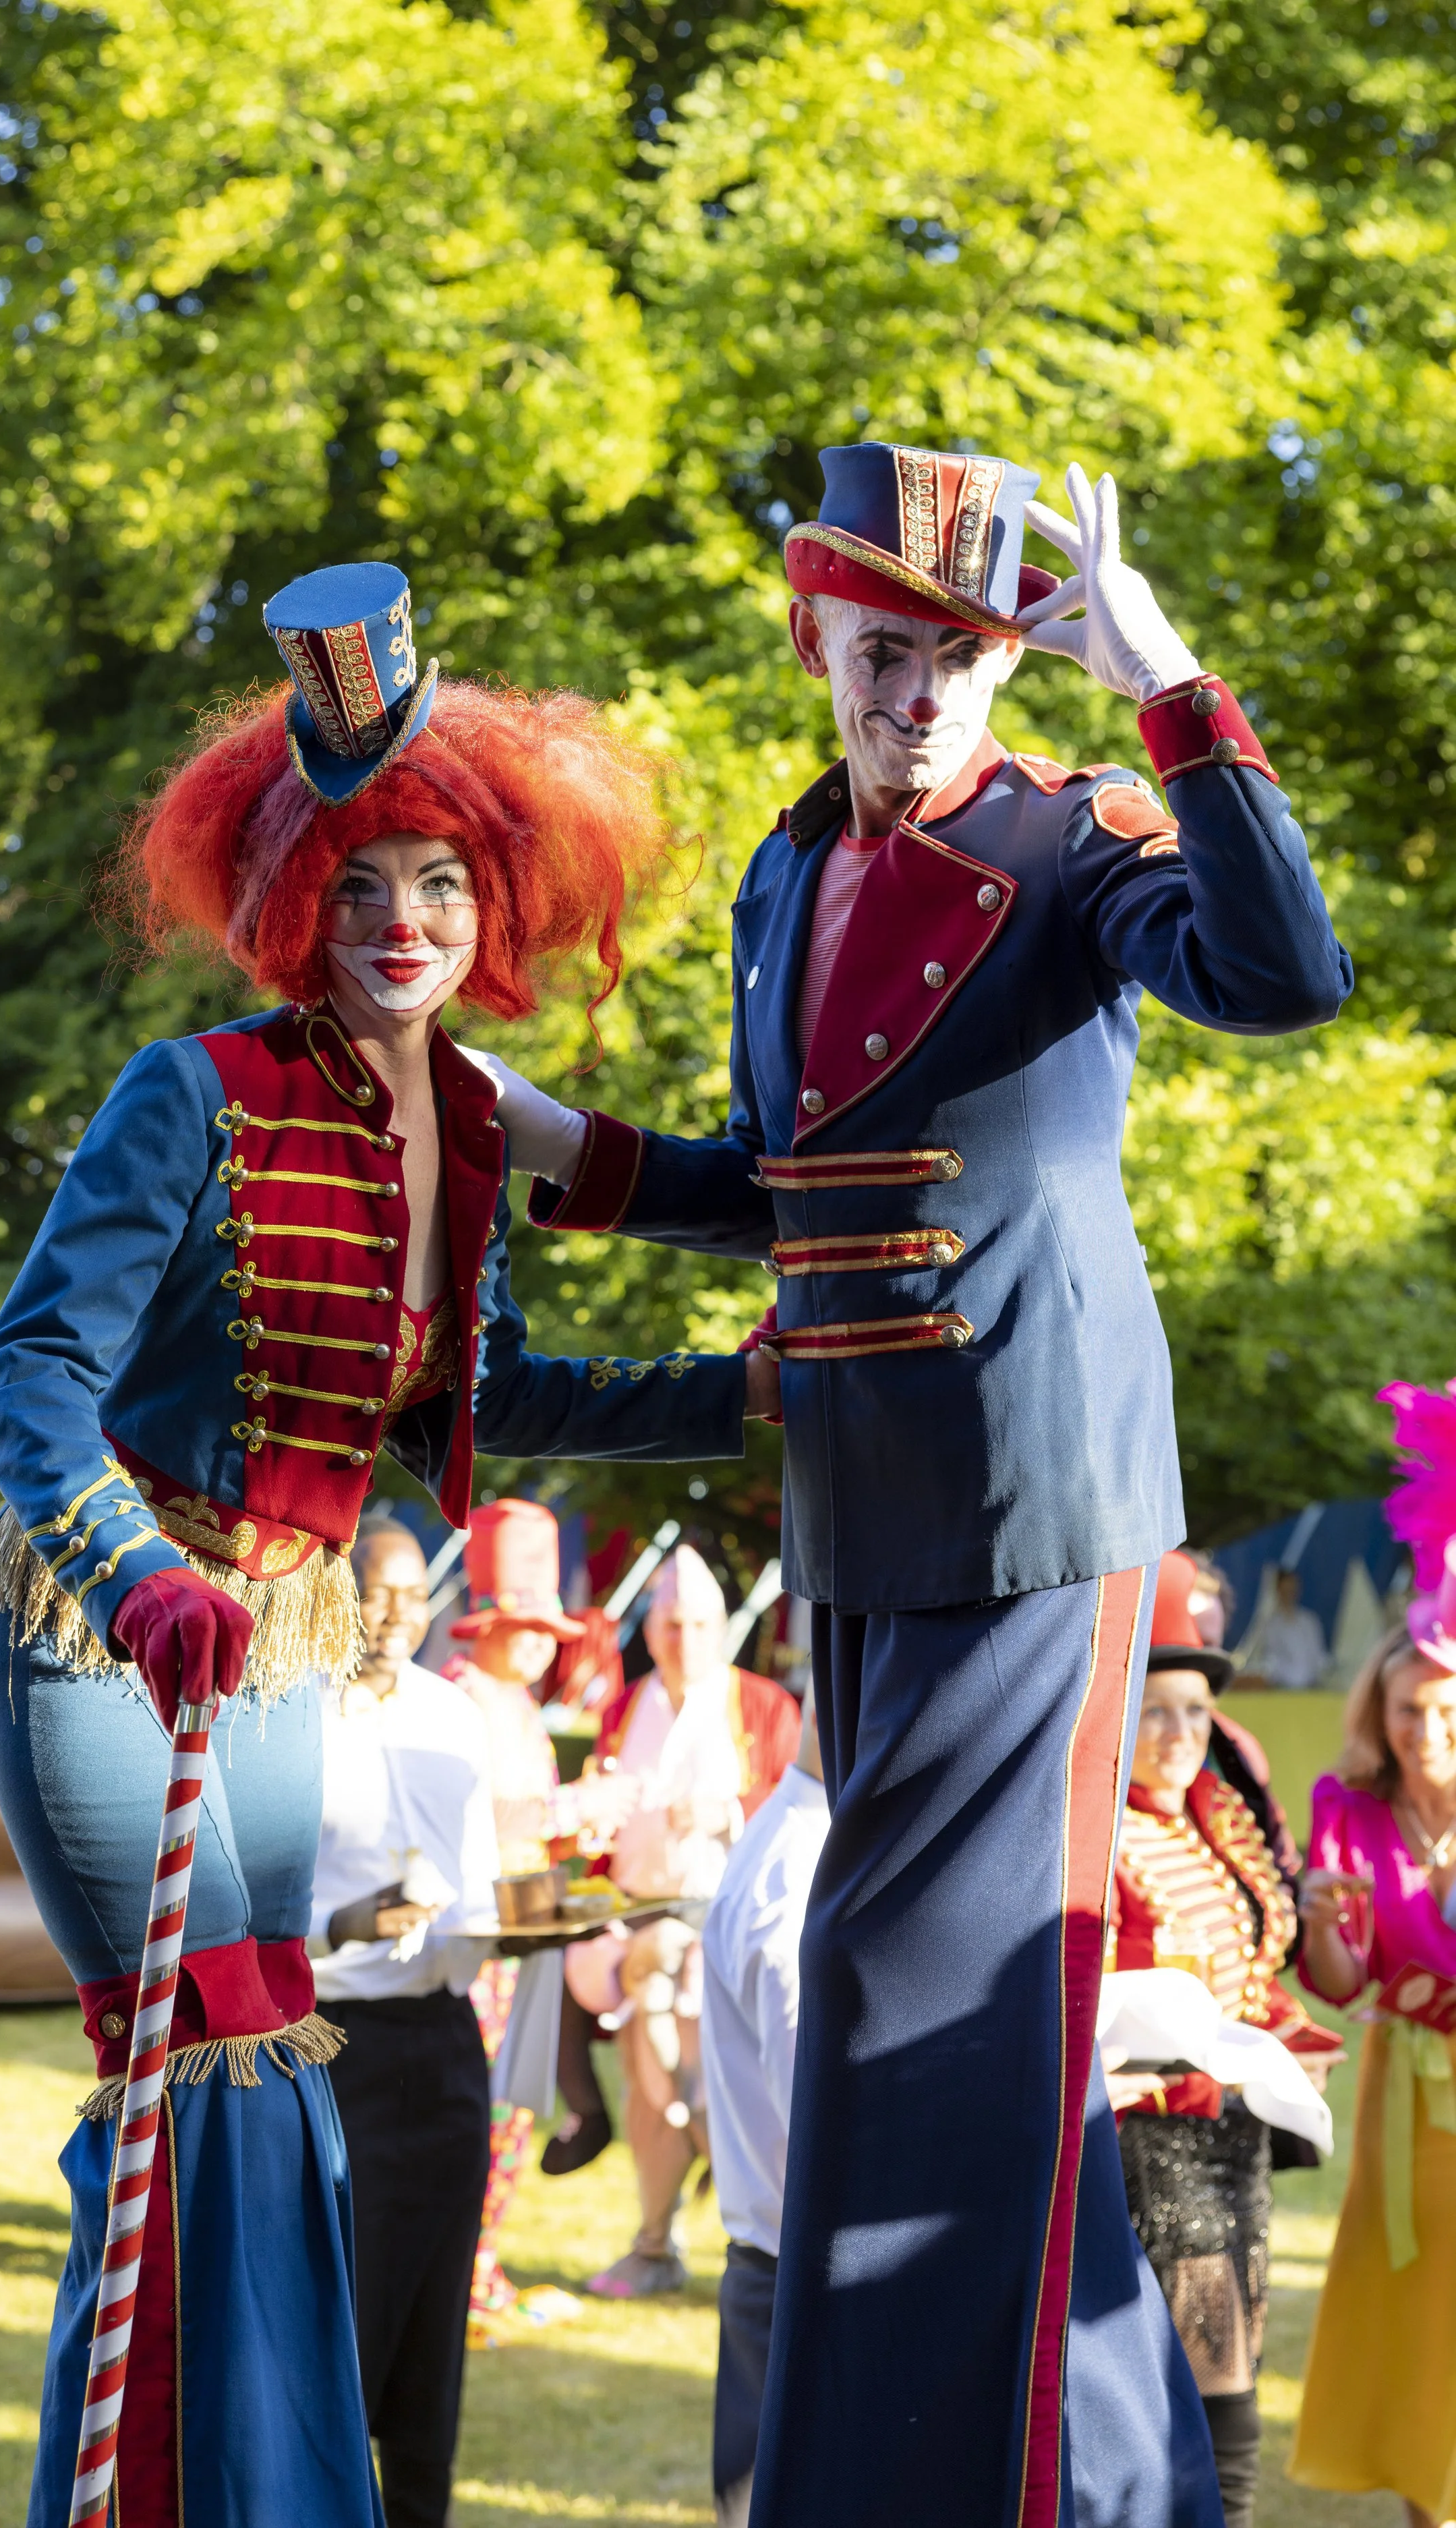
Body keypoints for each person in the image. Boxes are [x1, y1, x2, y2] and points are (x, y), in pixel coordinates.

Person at [484, 447, 1352, 2526]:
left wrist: (1166, 683)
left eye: (959, 657)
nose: (921, 696)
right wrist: (547, 1142)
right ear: (816, 642)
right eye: (884, 654)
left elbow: (1282, 975)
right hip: (848, 1509)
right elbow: (786, 1191)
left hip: (1030, 1506)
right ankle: (1110, 2488)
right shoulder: (786, 870)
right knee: (940, 2036)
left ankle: (889, 2490)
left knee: (922, 2013)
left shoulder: (1074, 839)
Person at [0, 563, 761, 2528]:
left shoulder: (475, 1122)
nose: (401, 920)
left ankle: (273, 2492)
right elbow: (32, 1372)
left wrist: (746, 1393)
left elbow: (496, 1386)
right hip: (99, 1611)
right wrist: (140, 1578)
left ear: (491, 906)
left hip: (286, 1633)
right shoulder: (195, 1097)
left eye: (440, 883)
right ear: (290, 904)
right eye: (360, 881)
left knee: (273, 2067)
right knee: (193, 2061)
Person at [1106, 1553, 1338, 2528]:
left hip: (1232, 2142)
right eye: (1156, 1710)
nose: (1179, 1734)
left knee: (1219, 2396)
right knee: (1200, 2400)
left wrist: (1286, 2039)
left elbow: (1251, 1978)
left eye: (1196, 1713)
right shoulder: (1097, 1833)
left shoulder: (1216, 1818)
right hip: (1146, 2142)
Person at [1289, 1373, 1456, 2528]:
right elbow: (1342, 1987)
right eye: (1407, 1709)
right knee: (1410, 2321)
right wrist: (1316, 1917)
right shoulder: (1345, 1812)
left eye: (1446, 1708)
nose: (1425, 1729)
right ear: (1377, 1710)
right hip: (1407, 2100)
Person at [312, 1518, 500, 2528]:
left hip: (447, 2042)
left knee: (435, 2340)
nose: (397, 1614)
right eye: (377, 1593)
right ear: (340, 1595)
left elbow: (480, 1883)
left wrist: (520, 1925)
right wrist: (342, 1921)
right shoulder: (293, 1716)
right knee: (354, 2326)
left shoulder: (454, 1715)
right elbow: (252, 1901)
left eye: (412, 1596)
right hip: (344, 2049)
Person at [566, 1544, 800, 2294]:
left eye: (700, 1623)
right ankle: (658, 2238)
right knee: (652, 2091)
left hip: (726, 1928)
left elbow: (798, 1812)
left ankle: (748, 2243)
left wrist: (726, 1810)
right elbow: (602, 1821)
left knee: (716, 2087)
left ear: (723, 1627)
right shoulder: (626, 1705)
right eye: (671, 1622)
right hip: (640, 1922)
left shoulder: (763, 1704)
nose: (685, 1639)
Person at [448, 1496, 598, 2319]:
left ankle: (481, 2264)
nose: (544, 1644)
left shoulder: (509, 1701)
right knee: (485, 2103)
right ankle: (465, 2275)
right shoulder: (465, 1698)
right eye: (530, 1625)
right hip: (479, 1938)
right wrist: (573, 1809)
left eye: (552, 1631)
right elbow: (478, 1819)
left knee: (510, 2104)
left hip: (521, 1929)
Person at [700, 1684, 829, 2528]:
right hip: (795, 2277)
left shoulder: (814, 1841)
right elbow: (817, 2111)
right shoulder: (795, 1872)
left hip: (787, 2267)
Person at [1253, 1568, 1327, 1692]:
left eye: (1292, 1589)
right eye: (1285, 1589)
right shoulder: (1271, 1625)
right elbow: (1270, 1658)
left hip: (1311, 1686)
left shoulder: (1309, 1620)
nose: (1289, 1593)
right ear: (1278, 1590)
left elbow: (1318, 1655)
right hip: (1281, 1687)